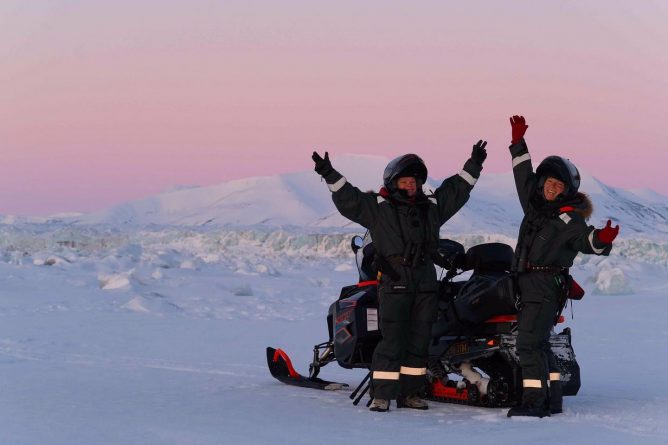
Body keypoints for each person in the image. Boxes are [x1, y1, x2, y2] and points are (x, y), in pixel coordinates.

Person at [312, 142, 487, 412]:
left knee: (418, 342)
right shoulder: (379, 208)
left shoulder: (431, 208)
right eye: (405, 181)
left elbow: (457, 191)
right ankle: (381, 395)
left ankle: (410, 394)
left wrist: (474, 163)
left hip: (425, 281)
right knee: (392, 339)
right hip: (395, 281)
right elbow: (350, 200)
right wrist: (329, 173)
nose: (410, 186)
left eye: (414, 182)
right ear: (393, 183)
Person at [506, 115, 620, 418]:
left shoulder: (567, 218)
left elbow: (586, 239)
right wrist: (518, 144)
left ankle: (533, 402)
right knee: (540, 345)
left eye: (558, 184)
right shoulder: (535, 208)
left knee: (528, 344)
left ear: (566, 190)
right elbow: (523, 176)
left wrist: (601, 239)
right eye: (549, 182)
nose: (552, 188)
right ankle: (552, 400)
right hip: (527, 284)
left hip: (544, 287)